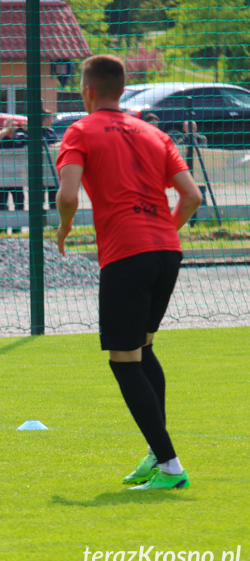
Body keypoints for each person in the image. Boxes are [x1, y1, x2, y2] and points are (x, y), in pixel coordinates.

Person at [55, 55, 202, 490]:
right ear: (122, 89)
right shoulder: (154, 132)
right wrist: (160, 234)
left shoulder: (80, 130)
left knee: (124, 360)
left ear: (87, 92)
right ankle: (159, 456)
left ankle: (172, 466)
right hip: (167, 251)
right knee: (144, 348)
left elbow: (67, 194)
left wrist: (63, 228)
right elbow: (191, 196)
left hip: (127, 254)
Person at [0, 107, 60, 219]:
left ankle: (17, 228)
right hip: (2, 177)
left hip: (21, 176)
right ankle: (2, 227)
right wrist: (8, 129)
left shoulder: (22, 137)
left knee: (20, 203)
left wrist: (30, 130)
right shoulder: (2, 138)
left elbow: (41, 143)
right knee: (2, 203)